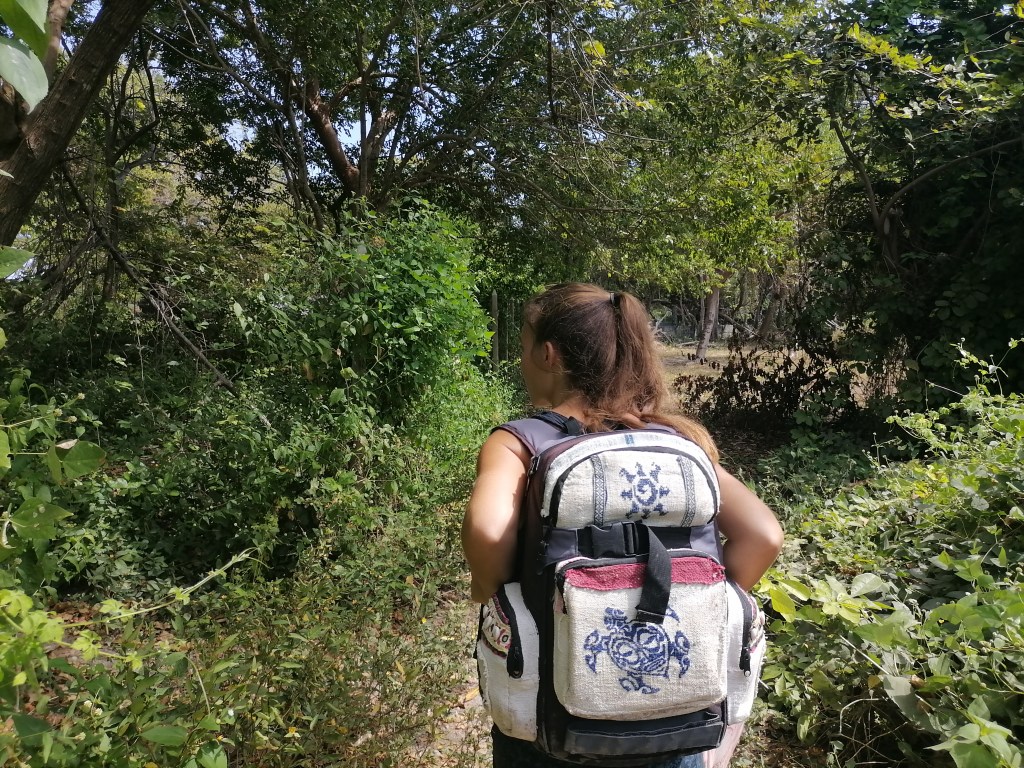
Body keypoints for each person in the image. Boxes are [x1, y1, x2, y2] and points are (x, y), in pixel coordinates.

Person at [462, 283, 784, 768]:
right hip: (673, 715)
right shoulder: (675, 439)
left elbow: (488, 534)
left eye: (525, 346)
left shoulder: (520, 442)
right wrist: (695, 603)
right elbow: (764, 535)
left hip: (555, 713)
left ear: (548, 354)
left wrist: (495, 594)